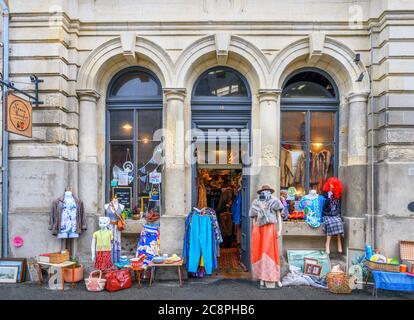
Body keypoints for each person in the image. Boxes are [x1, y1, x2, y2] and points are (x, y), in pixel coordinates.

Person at [249, 184, 283, 289]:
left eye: (268, 190)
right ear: (260, 193)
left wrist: (279, 229)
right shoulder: (256, 202)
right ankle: (262, 277)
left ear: (270, 191)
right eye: (264, 191)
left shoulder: (274, 201)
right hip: (259, 229)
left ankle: (275, 277)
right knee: (260, 252)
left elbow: (278, 216)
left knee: (271, 252)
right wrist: (254, 230)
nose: (266, 192)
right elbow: (253, 217)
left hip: (270, 229)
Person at [322, 177, 344, 255]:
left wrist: (336, 213)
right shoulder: (325, 194)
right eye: (331, 183)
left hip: (335, 214)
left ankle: (339, 242)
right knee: (330, 224)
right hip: (327, 214)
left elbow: (337, 206)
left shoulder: (337, 195)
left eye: (333, 184)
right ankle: (327, 244)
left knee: (339, 223)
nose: (331, 185)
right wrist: (329, 198)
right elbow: (324, 206)